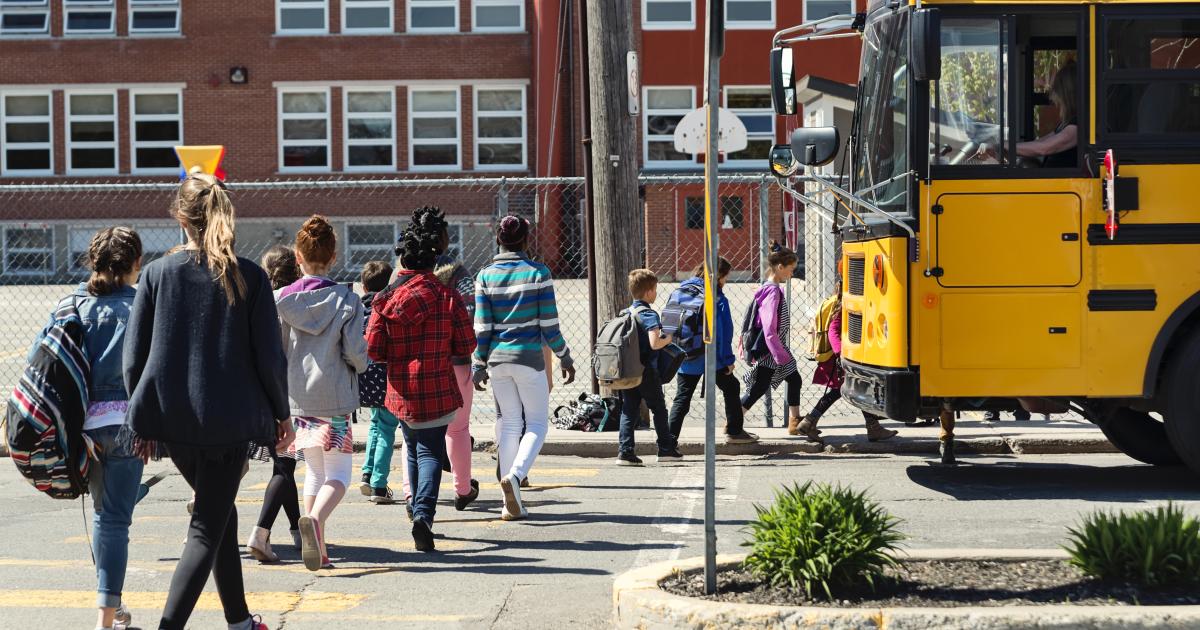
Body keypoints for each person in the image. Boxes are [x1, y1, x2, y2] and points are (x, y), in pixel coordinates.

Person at [124, 172, 291, 630]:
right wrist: (282, 414)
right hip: (231, 424)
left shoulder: (157, 274)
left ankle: (239, 620)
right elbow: (269, 358)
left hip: (173, 421)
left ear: (181, 219)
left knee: (218, 515)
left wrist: (143, 420)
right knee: (205, 527)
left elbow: (133, 360)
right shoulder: (250, 275)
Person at [32, 227, 143, 630]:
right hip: (130, 426)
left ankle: (113, 604)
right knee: (115, 519)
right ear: (136, 263)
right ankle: (105, 619)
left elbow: (42, 361)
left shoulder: (70, 305)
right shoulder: (142, 305)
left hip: (84, 429)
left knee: (104, 516)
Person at [367, 206, 475, 551]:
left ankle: (415, 506)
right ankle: (423, 516)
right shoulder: (447, 297)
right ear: (433, 260)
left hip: (401, 390)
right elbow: (466, 345)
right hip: (437, 387)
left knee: (412, 447)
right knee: (429, 451)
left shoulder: (385, 299)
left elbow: (374, 349)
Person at [277, 215, 370, 571]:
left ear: (297, 257)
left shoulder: (280, 300)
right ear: (333, 257)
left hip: (297, 399)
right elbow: (355, 353)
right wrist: (361, 364)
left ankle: (319, 546)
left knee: (315, 472)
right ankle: (315, 522)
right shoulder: (347, 299)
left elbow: (276, 351)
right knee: (340, 475)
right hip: (335, 398)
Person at [473, 215, 576, 521]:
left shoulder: (484, 276)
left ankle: (509, 502)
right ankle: (515, 476)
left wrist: (479, 363)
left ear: (498, 240)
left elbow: (482, 327)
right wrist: (564, 356)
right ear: (526, 240)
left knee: (509, 424)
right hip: (529, 359)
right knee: (537, 424)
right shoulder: (538, 273)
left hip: (497, 361)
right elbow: (549, 324)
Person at [247, 246, 304, 563]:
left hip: (261, 391)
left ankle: (297, 530)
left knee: (285, 465)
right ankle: (261, 532)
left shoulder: (259, 302)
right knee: (284, 465)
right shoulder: (296, 301)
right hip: (291, 393)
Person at [796, 284, 899, 443]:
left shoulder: (844, 304)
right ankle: (872, 428)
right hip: (841, 359)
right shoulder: (845, 306)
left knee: (850, 389)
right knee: (854, 388)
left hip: (843, 357)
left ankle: (809, 422)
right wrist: (840, 354)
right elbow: (833, 330)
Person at [663, 258, 744, 460]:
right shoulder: (716, 298)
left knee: (682, 399)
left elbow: (670, 325)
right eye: (725, 277)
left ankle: (666, 446)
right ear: (719, 276)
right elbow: (723, 334)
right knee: (732, 387)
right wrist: (728, 360)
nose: (726, 281)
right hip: (711, 358)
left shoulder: (680, 291)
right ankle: (735, 431)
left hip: (685, 355)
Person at [739, 242, 802, 444]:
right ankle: (734, 420)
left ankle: (795, 422)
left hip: (775, 348)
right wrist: (779, 354)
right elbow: (769, 328)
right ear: (780, 267)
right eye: (790, 269)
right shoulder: (772, 292)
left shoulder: (770, 289)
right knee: (759, 387)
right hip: (772, 349)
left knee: (792, 380)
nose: (792, 274)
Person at [434, 252, 481, 510]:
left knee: (412, 433)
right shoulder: (460, 275)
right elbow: (470, 313)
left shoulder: (405, 273)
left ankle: (412, 496)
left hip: (418, 362)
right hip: (456, 361)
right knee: (458, 429)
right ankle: (462, 489)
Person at [614, 269, 674, 467]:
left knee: (629, 409)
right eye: (655, 289)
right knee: (658, 409)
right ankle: (666, 449)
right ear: (648, 292)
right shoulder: (648, 313)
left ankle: (625, 452)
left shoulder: (625, 313)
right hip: (647, 371)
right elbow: (654, 343)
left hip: (629, 370)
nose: (656, 293)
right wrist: (669, 338)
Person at [357, 260, 401, 506]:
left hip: (364, 378)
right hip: (386, 377)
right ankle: (379, 484)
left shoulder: (358, 308)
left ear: (363, 287)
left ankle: (367, 472)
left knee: (375, 423)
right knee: (386, 427)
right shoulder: (388, 307)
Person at [1018, 61, 1077, 167]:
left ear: (1066, 95)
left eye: (1056, 92)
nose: (1053, 98)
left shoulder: (1077, 126)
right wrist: (1010, 147)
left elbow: (1044, 148)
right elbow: (1042, 142)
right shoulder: (1066, 123)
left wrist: (1008, 147)